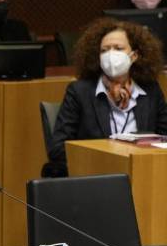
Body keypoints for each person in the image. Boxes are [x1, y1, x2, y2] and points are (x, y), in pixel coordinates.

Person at [44, 17, 167, 177]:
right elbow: (58, 149)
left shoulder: (150, 91)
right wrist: (104, 157)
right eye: (104, 50)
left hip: (144, 173)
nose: (111, 55)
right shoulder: (80, 92)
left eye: (118, 48)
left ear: (134, 55)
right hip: (96, 176)